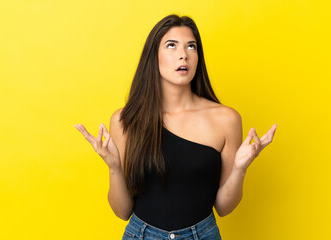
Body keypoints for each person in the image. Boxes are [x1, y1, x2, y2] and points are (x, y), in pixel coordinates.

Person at [75, 14, 277, 240]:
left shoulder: (226, 119)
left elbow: (223, 207)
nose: (184, 55)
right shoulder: (126, 120)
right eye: (171, 46)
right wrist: (113, 167)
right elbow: (122, 211)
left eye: (191, 47)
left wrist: (240, 169)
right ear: (154, 56)